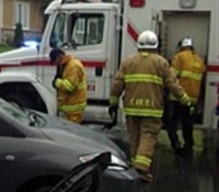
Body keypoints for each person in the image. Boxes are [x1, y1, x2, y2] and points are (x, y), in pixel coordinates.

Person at [108, 30, 193, 183]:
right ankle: (141, 169)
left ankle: (134, 167)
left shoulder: (128, 62)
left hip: (131, 108)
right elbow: (173, 85)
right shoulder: (161, 62)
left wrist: (113, 103)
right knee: (147, 137)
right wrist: (185, 100)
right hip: (152, 108)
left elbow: (118, 84)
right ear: (155, 45)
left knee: (134, 138)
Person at [166, 37, 206, 154]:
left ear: (182, 46)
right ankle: (188, 146)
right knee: (187, 124)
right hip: (192, 99)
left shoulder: (179, 57)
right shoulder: (199, 61)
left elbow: (172, 77)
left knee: (172, 123)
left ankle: (176, 145)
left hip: (177, 97)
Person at [49, 48, 87, 124]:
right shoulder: (66, 65)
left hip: (74, 109)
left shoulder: (73, 66)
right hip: (70, 108)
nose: (55, 63)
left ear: (60, 56)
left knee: (72, 133)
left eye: (55, 60)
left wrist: (57, 82)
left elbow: (69, 86)